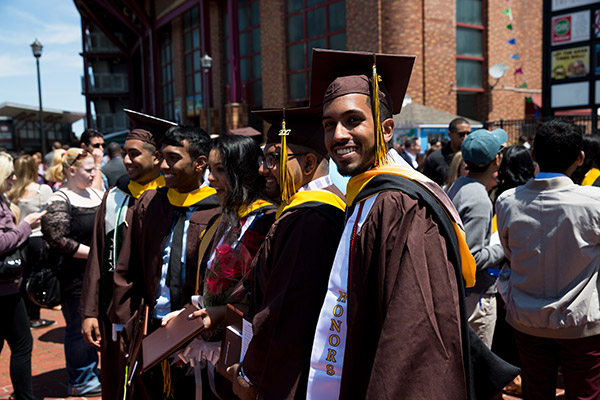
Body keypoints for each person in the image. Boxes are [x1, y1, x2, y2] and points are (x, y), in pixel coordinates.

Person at [303, 49, 517, 400]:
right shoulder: (367, 195)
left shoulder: (400, 205)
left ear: (387, 129)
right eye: (329, 124)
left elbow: (413, 332)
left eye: (353, 120)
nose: (338, 135)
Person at [228, 108, 346, 400]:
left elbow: (285, 313)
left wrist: (249, 373)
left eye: (273, 159)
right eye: (263, 158)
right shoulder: (306, 210)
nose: (262, 169)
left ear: (308, 162)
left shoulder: (310, 218)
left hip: (294, 372)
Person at [112, 125, 220, 399]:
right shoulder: (151, 202)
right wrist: (123, 319)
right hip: (153, 326)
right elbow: (129, 265)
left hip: (198, 332)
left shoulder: (220, 206)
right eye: (161, 157)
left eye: (173, 158)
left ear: (200, 163)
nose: (163, 165)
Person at [496, 120, 600, 400]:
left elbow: (508, 251)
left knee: (536, 390)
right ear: (579, 158)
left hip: (526, 318)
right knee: (585, 394)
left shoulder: (507, 201)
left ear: (534, 155)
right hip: (581, 321)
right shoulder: (594, 201)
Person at [167, 134, 277, 398]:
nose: (210, 179)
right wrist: (189, 313)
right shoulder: (225, 219)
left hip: (244, 347)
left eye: (220, 170)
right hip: (212, 340)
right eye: (209, 170)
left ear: (245, 173)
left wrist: (221, 313)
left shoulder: (268, 222)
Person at [79, 110, 175, 400]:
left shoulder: (173, 200)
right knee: (116, 378)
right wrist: (90, 311)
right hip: (114, 308)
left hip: (156, 314)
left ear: (158, 157)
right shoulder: (115, 196)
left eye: (134, 153)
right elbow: (97, 255)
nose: (127, 160)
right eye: (124, 153)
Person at [41, 148, 103, 397]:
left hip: (98, 274)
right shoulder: (60, 199)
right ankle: (80, 379)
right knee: (78, 329)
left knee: (95, 327)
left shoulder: (95, 193)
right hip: (75, 278)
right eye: (89, 170)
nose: (92, 174)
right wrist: (94, 253)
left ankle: (90, 370)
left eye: (94, 169)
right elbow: (56, 238)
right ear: (71, 171)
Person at [447, 129, 507, 348]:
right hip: (477, 296)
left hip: (465, 293)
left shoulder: (459, 185)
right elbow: (472, 258)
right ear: (495, 160)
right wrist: (502, 246)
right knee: (478, 372)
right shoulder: (479, 199)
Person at [0, 152, 45, 400]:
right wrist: (25, 225)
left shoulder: (3, 199)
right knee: (22, 345)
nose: (14, 178)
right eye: (9, 174)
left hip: (7, 285)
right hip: (4, 289)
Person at [7, 155, 54, 329]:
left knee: (21, 278)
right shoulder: (42, 190)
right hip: (37, 239)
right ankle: (34, 317)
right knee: (37, 279)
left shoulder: (11, 192)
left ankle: (22, 315)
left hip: (18, 239)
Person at [423, 117, 471, 186]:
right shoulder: (435, 158)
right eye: (461, 134)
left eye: (468, 134)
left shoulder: (473, 156)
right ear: (450, 135)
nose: (465, 138)